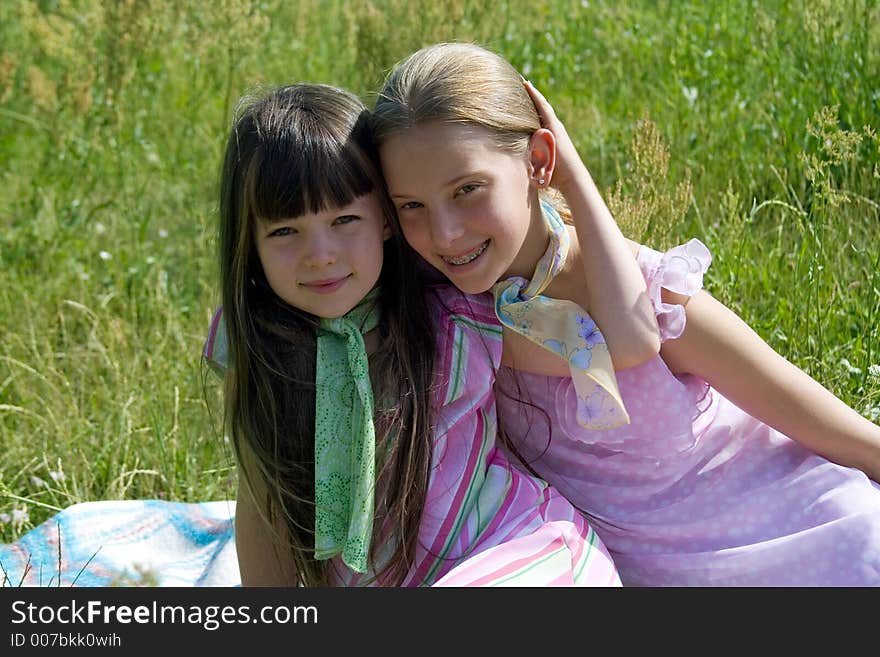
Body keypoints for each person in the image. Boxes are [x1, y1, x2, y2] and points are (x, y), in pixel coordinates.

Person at [371, 42, 880, 586]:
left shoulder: (644, 289)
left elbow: (797, 407)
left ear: (540, 161)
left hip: (792, 526)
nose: (446, 233)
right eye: (412, 207)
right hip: (639, 575)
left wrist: (575, 180)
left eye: (468, 189)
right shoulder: (447, 317)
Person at [203, 82, 621, 586]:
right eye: (285, 231)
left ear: (384, 218)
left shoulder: (454, 313)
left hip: (519, 551)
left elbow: (608, 343)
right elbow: (262, 499)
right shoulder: (257, 341)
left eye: (344, 219)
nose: (321, 254)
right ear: (250, 241)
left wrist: (573, 181)